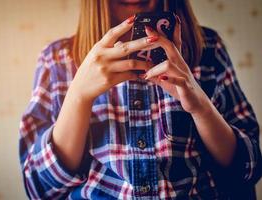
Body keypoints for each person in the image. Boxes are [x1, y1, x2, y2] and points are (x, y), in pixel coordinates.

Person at [19, 0, 262, 199]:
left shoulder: (209, 48)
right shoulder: (57, 59)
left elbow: (249, 168)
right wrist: (79, 97)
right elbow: (38, 188)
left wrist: (201, 108)